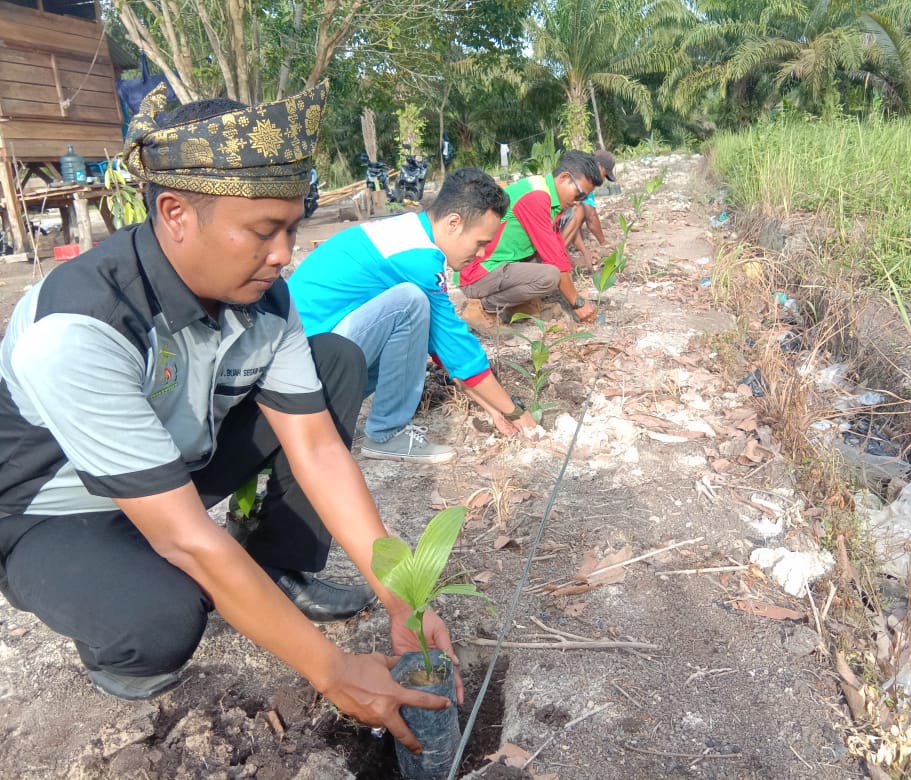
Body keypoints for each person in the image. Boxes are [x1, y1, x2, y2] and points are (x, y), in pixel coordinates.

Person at [0, 82, 458, 753]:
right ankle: (112, 639)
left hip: (172, 462)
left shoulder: (264, 297)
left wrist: (400, 598)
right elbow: (187, 537)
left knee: (333, 363)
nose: (283, 255)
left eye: (292, 230)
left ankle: (278, 566)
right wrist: (333, 672)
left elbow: (320, 451)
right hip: (54, 511)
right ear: (176, 213)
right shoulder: (81, 326)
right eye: (264, 232)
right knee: (161, 619)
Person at [287, 167, 537, 465]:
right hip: (304, 372)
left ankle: (339, 417)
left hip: (309, 359)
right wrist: (514, 411)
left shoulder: (407, 231)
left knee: (417, 316)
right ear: (454, 223)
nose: (482, 254)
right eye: (481, 242)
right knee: (411, 302)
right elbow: (454, 345)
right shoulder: (417, 256)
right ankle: (387, 433)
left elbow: (438, 344)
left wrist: (491, 408)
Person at [458, 150, 603, 325]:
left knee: (548, 266)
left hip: (495, 266)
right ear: (564, 177)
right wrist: (577, 302)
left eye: (585, 198)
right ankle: (484, 307)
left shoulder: (547, 193)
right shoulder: (536, 197)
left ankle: (518, 305)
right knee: (550, 276)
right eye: (579, 194)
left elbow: (558, 250)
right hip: (477, 273)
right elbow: (555, 260)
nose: (579, 202)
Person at [559, 149, 616, 269]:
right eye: (605, 174)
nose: (603, 179)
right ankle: (561, 258)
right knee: (579, 209)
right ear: (598, 166)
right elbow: (590, 216)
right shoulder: (583, 180)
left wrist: (585, 252)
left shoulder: (580, 175)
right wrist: (603, 243)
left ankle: (563, 254)